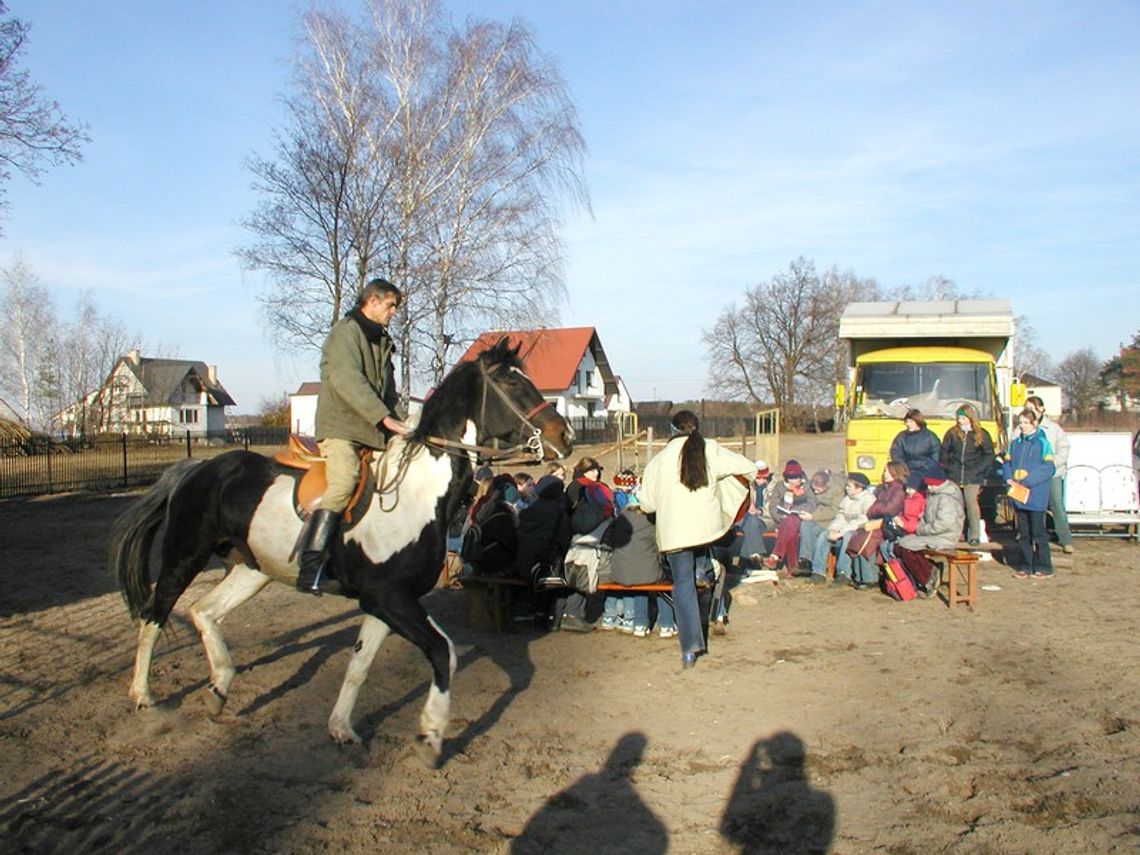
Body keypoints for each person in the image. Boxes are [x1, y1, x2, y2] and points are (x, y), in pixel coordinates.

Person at [299, 277, 410, 594]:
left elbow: (388, 394)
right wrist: (385, 420)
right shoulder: (345, 333)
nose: (393, 312)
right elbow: (349, 382)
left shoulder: (381, 343)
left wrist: (407, 427)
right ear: (371, 301)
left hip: (371, 430)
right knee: (344, 481)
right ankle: (311, 568)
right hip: (342, 427)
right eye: (390, 306)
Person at [638, 410, 754, 669]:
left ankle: (690, 649)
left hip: (675, 533)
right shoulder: (710, 449)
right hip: (707, 527)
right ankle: (702, 568)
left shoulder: (658, 461)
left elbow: (647, 504)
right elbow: (749, 468)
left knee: (682, 585)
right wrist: (726, 491)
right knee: (703, 539)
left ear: (670, 430)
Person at [558, 457, 616, 631]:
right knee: (586, 572)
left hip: (573, 537)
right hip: (594, 537)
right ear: (583, 472)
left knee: (575, 573)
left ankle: (568, 613)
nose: (596, 473)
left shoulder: (572, 488)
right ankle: (576, 614)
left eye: (597, 469)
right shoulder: (599, 490)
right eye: (592, 470)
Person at [893, 464, 966, 597]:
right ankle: (929, 571)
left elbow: (944, 524)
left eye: (931, 485)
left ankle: (927, 579)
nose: (929, 488)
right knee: (900, 545)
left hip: (945, 536)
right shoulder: (933, 494)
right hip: (930, 533)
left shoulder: (947, 498)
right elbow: (925, 516)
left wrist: (920, 529)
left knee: (907, 547)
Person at [1003, 407, 1057, 579]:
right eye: (1021, 423)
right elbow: (1006, 463)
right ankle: (1026, 565)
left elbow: (1048, 468)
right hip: (1018, 494)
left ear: (1034, 423)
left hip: (1035, 494)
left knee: (1038, 533)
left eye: (1026, 423)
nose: (1023, 426)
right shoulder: (1015, 444)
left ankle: (1044, 566)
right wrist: (1008, 478)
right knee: (1023, 533)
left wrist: (1027, 481)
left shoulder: (1042, 443)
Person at [605, 493, 665, 637]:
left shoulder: (619, 520)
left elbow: (608, 541)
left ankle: (620, 618)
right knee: (657, 578)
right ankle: (659, 623)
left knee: (635, 573)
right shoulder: (651, 521)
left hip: (619, 572)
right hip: (647, 572)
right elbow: (659, 546)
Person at [939, 404, 996, 545]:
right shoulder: (952, 433)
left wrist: (979, 470)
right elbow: (944, 453)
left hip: (973, 475)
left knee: (971, 503)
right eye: (959, 418)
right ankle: (955, 533)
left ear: (970, 418)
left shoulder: (981, 434)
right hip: (954, 474)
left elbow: (988, 455)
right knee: (955, 505)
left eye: (963, 418)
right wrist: (947, 468)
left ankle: (974, 534)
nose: (960, 421)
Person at [847, 462, 908, 589]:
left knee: (868, 540)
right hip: (878, 522)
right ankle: (860, 575)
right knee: (859, 536)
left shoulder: (899, 489)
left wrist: (876, 509)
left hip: (890, 526)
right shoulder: (884, 488)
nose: (885, 474)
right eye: (885, 471)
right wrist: (876, 509)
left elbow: (890, 510)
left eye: (888, 471)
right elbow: (874, 508)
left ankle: (870, 577)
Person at [807, 473, 874, 585]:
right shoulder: (847, 499)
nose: (846, 488)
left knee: (848, 536)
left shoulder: (868, 500)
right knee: (825, 534)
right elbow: (841, 516)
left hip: (859, 531)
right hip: (842, 529)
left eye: (849, 486)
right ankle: (818, 572)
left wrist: (841, 532)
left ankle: (843, 573)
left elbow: (862, 520)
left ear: (859, 488)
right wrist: (834, 529)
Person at [1026, 395, 1073, 554]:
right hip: (1031, 476)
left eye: (1032, 409)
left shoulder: (1053, 429)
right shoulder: (1021, 428)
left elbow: (1064, 449)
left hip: (1052, 474)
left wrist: (1052, 464)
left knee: (1056, 505)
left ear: (1041, 410)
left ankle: (1065, 539)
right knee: (1034, 507)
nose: (1029, 412)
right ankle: (1036, 538)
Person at [762, 460, 816, 574]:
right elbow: (773, 505)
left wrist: (797, 510)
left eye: (795, 478)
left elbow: (812, 504)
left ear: (800, 476)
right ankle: (793, 566)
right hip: (783, 518)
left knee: (791, 521)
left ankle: (775, 555)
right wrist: (778, 516)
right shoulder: (780, 486)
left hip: (801, 517)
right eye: (790, 478)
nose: (793, 481)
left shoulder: (807, 486)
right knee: (790, 526)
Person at [796, 470, 841, 574]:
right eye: (814, 489)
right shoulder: (811, 487)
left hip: (828, 520)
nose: (815, 492)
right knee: (805, 525)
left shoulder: (836, 491)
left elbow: (833, 511)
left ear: (826, 486)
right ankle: (805, 559)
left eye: (818, 490)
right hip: (814, 515)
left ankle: (815, 563)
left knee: (815, 531)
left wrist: (812, 516)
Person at [738, 459, 774, 569]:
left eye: (764, 477)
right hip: (747, 518)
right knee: (750, 521)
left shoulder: (773, 487)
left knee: (751, 522)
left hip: (766, 518)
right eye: (758, 478)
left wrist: (760, 511)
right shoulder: (747, 485)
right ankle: (754, 555)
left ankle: (749, 557)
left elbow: (773, 508)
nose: (761, 480)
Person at [889, 409, 941, 482]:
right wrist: (904, 470)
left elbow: (935, 456)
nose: (908, 424)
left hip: (925, 473)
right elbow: (896, 454)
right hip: (906, 473)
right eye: (907, 421)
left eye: (911, 421)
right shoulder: (901, 437)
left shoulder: (930, 437)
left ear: (918, 421)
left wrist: (924, 470)